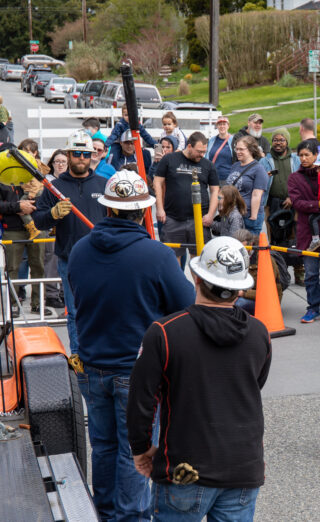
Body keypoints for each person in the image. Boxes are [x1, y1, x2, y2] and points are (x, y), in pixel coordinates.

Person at [69, 170, 195, 521]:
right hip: (136, 370)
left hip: (92, 365)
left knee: (104, 446)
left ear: (107, 210)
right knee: (134, 449)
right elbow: (185, 306)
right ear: (143, 213)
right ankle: (131, 517)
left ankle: (106, 511)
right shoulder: (155, 255)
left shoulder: (80, 250)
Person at [127, 236, 270, 520]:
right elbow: (256, 384)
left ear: (196, 278)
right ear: (239, 290)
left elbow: (141, 400)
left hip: (185, 468)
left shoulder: (165, 332)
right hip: (243, 467)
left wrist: (141, 448)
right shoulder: (259, 332)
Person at [33, 130, 108, 355]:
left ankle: (101, 352)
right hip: (70, 259)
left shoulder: (103, 185)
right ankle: (78, 356)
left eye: (86, 154)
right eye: (77, 153)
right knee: (75, 312)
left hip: (101, 259)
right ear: (68, 154)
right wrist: (53, 214)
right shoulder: (54, 187)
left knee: (103, 309)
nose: (82, 158)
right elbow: (38, 220)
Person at [288, 140, 320, 323]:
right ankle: (313, 308)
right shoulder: (294, 178)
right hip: (307, 233)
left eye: (306, 155)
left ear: (315, 156)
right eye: (300, 155)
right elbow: (297, 203)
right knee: (310, 274)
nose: (303, 158)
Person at [154, 132, 220, 264]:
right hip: (173, 218)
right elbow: (157, 182)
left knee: (200, 264)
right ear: (189, 146)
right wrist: (159, 208)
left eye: (204, 152)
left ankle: (198, 286)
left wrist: (211, 215)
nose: (202, 155)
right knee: (172, 262)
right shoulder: (170, 159)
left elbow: (215, 191)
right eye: (199, 151)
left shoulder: (208, 165)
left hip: (199, 220)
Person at [259, 127, 303, 284]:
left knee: (295, 238)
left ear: (287, 142)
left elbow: (301, 181)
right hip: (272, 204)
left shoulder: (296, 160)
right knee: (275, 238)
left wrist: (293, 197)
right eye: (275, 140)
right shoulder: (265, 161)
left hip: (293, 204)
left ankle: (299, 273)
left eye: (281, 140)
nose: (278, 143)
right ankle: (279, 272)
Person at [0, 177, 42, 316]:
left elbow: (46, 200)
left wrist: (32, 205)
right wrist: (17, 206)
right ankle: (13, 304)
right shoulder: (3, 178)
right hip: (12, 229)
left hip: (38, 227)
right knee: (12, 268)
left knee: (39, 266)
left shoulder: (34, 175)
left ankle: (38, 304)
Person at [226, 135, 269, 235]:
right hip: (233, 214)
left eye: (241, 149)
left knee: (249, 248)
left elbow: (257, 194)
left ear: (250, 150)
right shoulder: (235, 166)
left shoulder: (259, 169)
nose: (238, 152)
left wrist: (253, 216)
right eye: (236, 149)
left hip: (248, 215)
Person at [207, 116, 234, 183]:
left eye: (224, 124)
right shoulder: (212, 140)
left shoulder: (233, 141)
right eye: (220, 124)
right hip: (213, 178)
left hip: (227, 178)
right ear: (217, 126)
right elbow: (206, 157)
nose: (222, 126)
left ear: (228, 126)